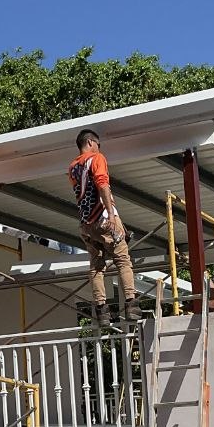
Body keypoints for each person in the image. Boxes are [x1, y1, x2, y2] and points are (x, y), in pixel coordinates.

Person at [67, 129, 139, 327]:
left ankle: (102, 310)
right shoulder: (96, 158)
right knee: (123, 260)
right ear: (90, 142)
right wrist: (112, 214)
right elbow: (102, 185)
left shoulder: (73, 166)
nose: (99, 147)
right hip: (104, 219)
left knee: (97, 266)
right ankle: (131, 304)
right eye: (98, 143)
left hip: (86, 226)